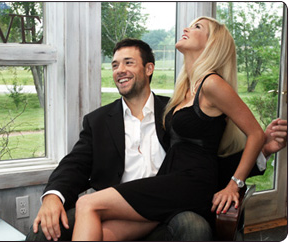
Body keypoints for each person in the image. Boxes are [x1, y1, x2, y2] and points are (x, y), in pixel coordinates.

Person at [26, 36, 287, 241]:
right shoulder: (97, 121)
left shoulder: (176, 113)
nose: (120, 70)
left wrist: (262, 151)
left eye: (129, 62)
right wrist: (53, 196)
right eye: (115, 65)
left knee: (194, 227)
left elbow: (204, 162)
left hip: (171, 209)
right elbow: (75, 164)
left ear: (149, 68)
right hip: (113, 207)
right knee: (44, 229)